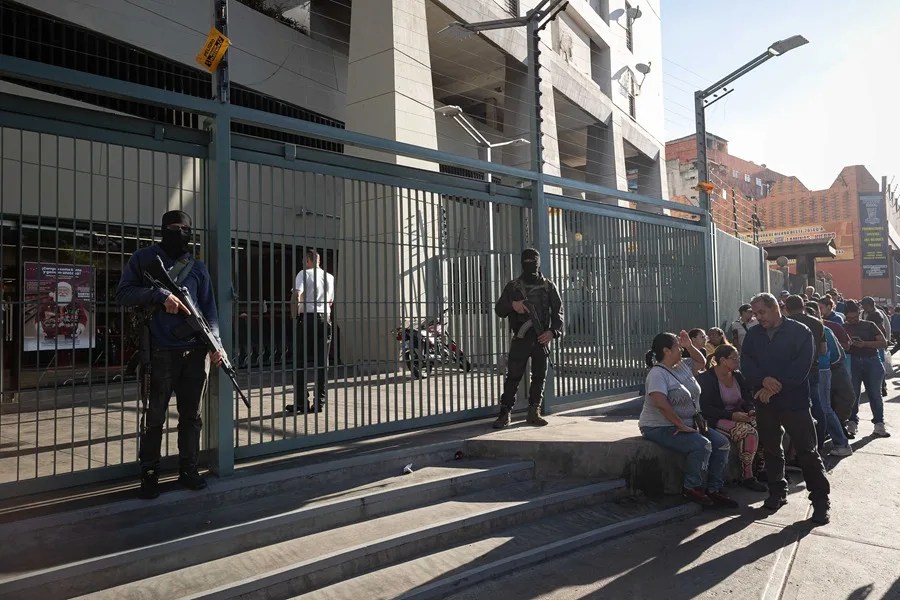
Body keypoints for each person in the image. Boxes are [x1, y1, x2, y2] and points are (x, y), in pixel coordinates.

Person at [116, 210, 225, 499]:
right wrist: (159, 296)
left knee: (192, 417)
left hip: (195, 353)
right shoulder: (144, 259)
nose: (180, 232)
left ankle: (188, 469)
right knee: (154, 417)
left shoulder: (198, 269)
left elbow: (209, 311)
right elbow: (123, 293)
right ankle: (149, 472)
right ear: (163, 229)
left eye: (186, 228)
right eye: (174, 228)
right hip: (159, 353)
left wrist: (217, 344)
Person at [741, 292, 831, 525]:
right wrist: (762, 381)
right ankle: (777, 492)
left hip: (795, 402)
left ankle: (820, 501)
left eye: (762, 312)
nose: (758, 317)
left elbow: (802, 367)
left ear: (775, 309)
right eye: (755, 313)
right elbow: (747, 365)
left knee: (807, 452)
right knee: (771, 448)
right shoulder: (753, 335)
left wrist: (772, 386)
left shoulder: (800, 332)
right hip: (765, 402)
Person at [639, 331, 737, 508]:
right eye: (677, 346)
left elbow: (701, 362)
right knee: (702, 445)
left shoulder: (683, 365)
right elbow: (661, 403)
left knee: (722, 443)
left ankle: (715, 488)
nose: (680, 349)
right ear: (667, 351)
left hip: (691, 423)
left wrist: (689, 346)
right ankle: (692, 487)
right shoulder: (657, 374)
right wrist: (680, 425)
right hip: (660, 426)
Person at [493, 248, 563, 429]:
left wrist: (552, 332)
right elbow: (499, 309)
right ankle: (505, 412)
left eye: (534, 262)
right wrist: (513, 305)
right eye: (527, 262)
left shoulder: (549, 287)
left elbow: (558, 313)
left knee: (539, 376)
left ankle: (534, 412)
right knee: (513, 377)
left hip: (541, 338)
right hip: (521, 338)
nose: (531, 266)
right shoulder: (513, 286)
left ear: (538, 263)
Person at [698, 344, 767, 491]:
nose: (738, 361)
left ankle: (761, 468)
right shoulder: (707, 378)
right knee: (748, 433)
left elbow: (747, 398)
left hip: (739, 414)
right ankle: (747, 476)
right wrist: (731, 415)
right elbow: (706, 407)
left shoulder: (737, 376)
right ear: (723, 360)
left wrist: (750, 410)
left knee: (768, 427)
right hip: (716, 418)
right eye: (735, 358)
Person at [286, 249, 335, 414]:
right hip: (326, 319)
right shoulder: (330, 277)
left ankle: (301, 403)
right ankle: (320, 402)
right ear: (319, 261)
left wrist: (294, 316)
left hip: (307, 319)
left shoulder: (303, 274)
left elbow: (296, 296)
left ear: (308, 261)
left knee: (299, 362)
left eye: (304, 261)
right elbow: (330, 301)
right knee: (323, 363)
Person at [805, 303, 853, 456]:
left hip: (822, 371)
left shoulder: (824, 330)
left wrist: (824, 364)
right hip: (815, 371)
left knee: (824, 408)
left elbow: (838, 354)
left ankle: (841, 443)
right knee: (818, 409)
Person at [783, 295, 828, 451]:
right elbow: (823, 350)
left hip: (791, 372)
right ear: (803, 306)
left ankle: (797, 449)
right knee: (817, 406)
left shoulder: (785, 324)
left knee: (795, 409)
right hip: (813, 369)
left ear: (786, 308)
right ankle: (819, 444)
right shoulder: (817, 323)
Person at [843, 301, 891, 438]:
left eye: (855, 318)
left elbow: (883, 343)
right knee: (853, 394)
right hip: (852, 361)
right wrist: (848, 344)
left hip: (871, 361)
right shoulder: (843, 327)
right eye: (849, 318)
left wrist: (864, 344)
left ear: (859, 314)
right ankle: (852, 422)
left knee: (875, 394)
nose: (852, 321)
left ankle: (879, 424)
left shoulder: (870, 325)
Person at [860, 296, 890, 397]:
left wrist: (884, 341)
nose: (863, 307)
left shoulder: (876, 315)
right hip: (869, 343)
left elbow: (883, 329)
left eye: (864, 305)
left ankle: (882, 386)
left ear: (869, 305)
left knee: (878, 367)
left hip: (876, 344)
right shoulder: (864, 313)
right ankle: (878, 386)